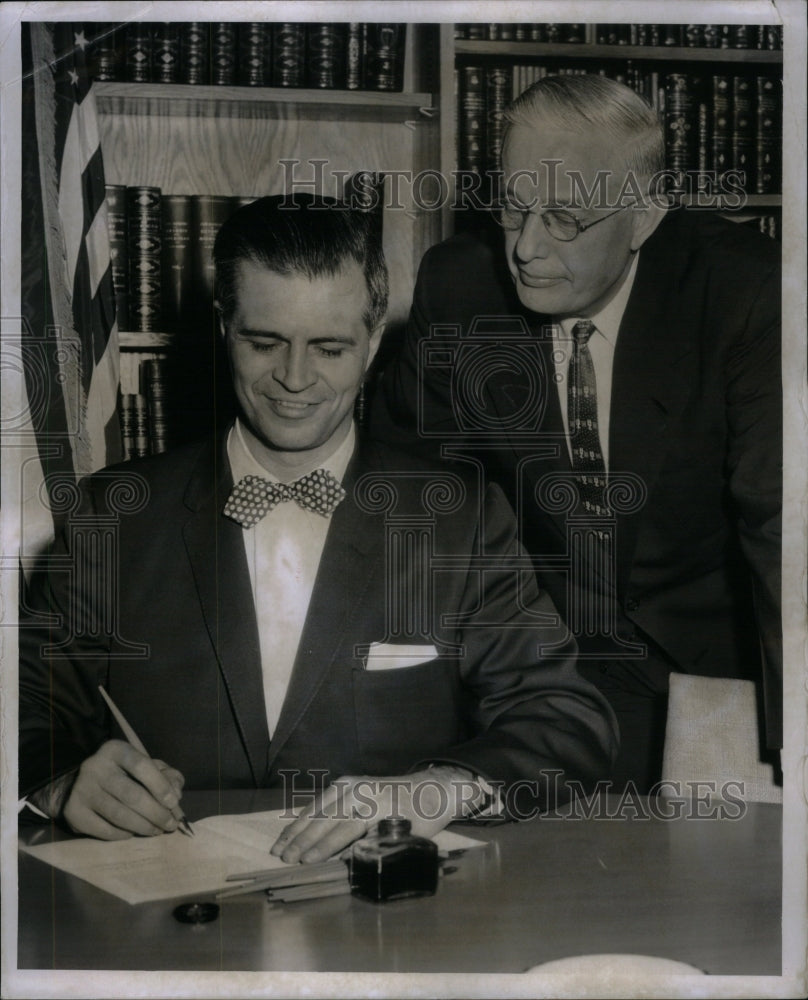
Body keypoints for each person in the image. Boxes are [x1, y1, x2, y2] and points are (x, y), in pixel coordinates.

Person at [19, 194, 618, 861]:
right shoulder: (114, 516)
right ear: (225, 329)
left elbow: (566, 718)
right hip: (158, 911)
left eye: (329, 347)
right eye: (265, 341)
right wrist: (60, 780)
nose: (294, 379)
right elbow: (22, 704)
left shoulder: (460, 519)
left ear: (372, 345)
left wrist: (436, 790)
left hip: (389, 913)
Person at [370, 75, 782, 793]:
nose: (526, 248)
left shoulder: (744, 293)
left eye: (564, 216)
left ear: (646, 216)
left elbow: (785, 530)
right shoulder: (459, 292)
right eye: (513, 208)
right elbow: (416, 515)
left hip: (726, 678)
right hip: (547, 675)